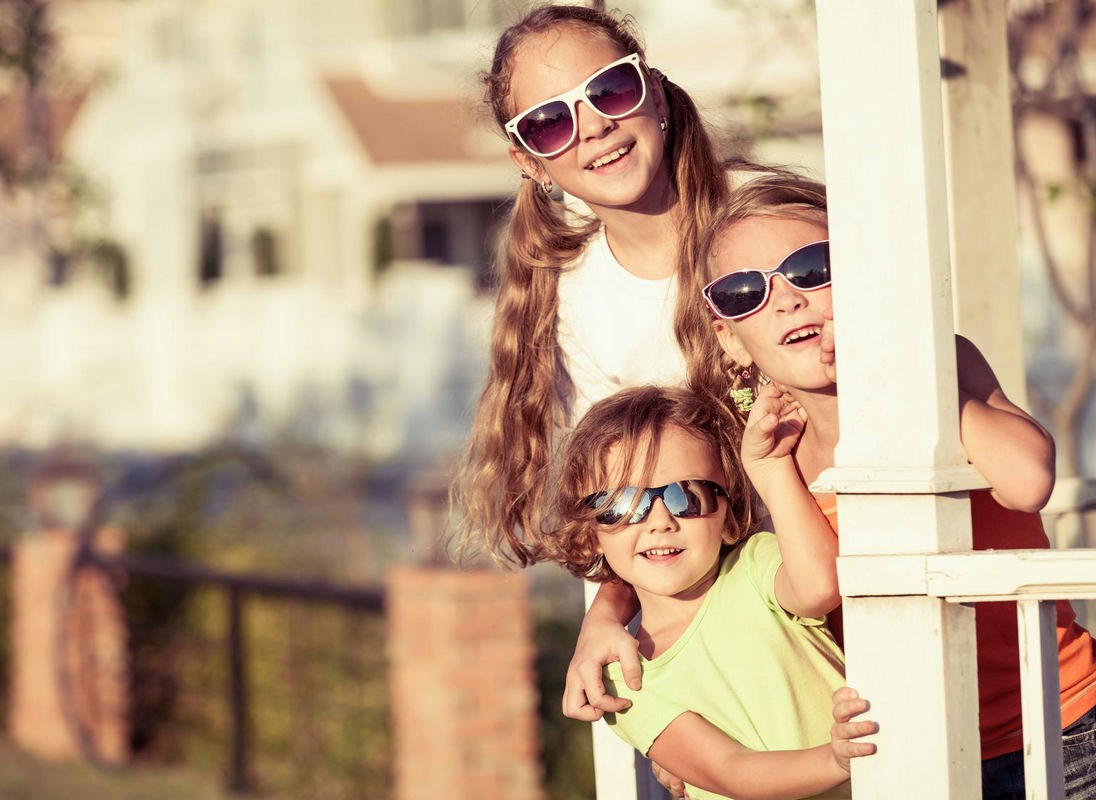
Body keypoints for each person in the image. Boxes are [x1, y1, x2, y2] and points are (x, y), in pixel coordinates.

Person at [565, 171, 1096, 799]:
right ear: (729, 338)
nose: (787, 300)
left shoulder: (939, 367)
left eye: (813, 268)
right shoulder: (755, 441)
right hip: (898, 744)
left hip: (1054, 722)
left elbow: (1027, 480)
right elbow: (687, 549)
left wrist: (899, 362)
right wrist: (605, 614)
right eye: (743, 292)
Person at [452, 3, 729, 565]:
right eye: (550, 123)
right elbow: (618, 501)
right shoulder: (578, 298)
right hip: (704, 594)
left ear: (652, 90)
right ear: (529, 161)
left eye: (611, 89)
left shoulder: (765, 220)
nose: (594, 125)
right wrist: (606, 614)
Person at [541, 382, 877, 799]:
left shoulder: (756, 565)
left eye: (689, 495)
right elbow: (732, 770)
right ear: (590, 533)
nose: (659, 521)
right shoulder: (621, 676)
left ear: (730, 518)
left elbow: (819, 588)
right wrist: (834, 759)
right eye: (624, 505)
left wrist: (771, 469)